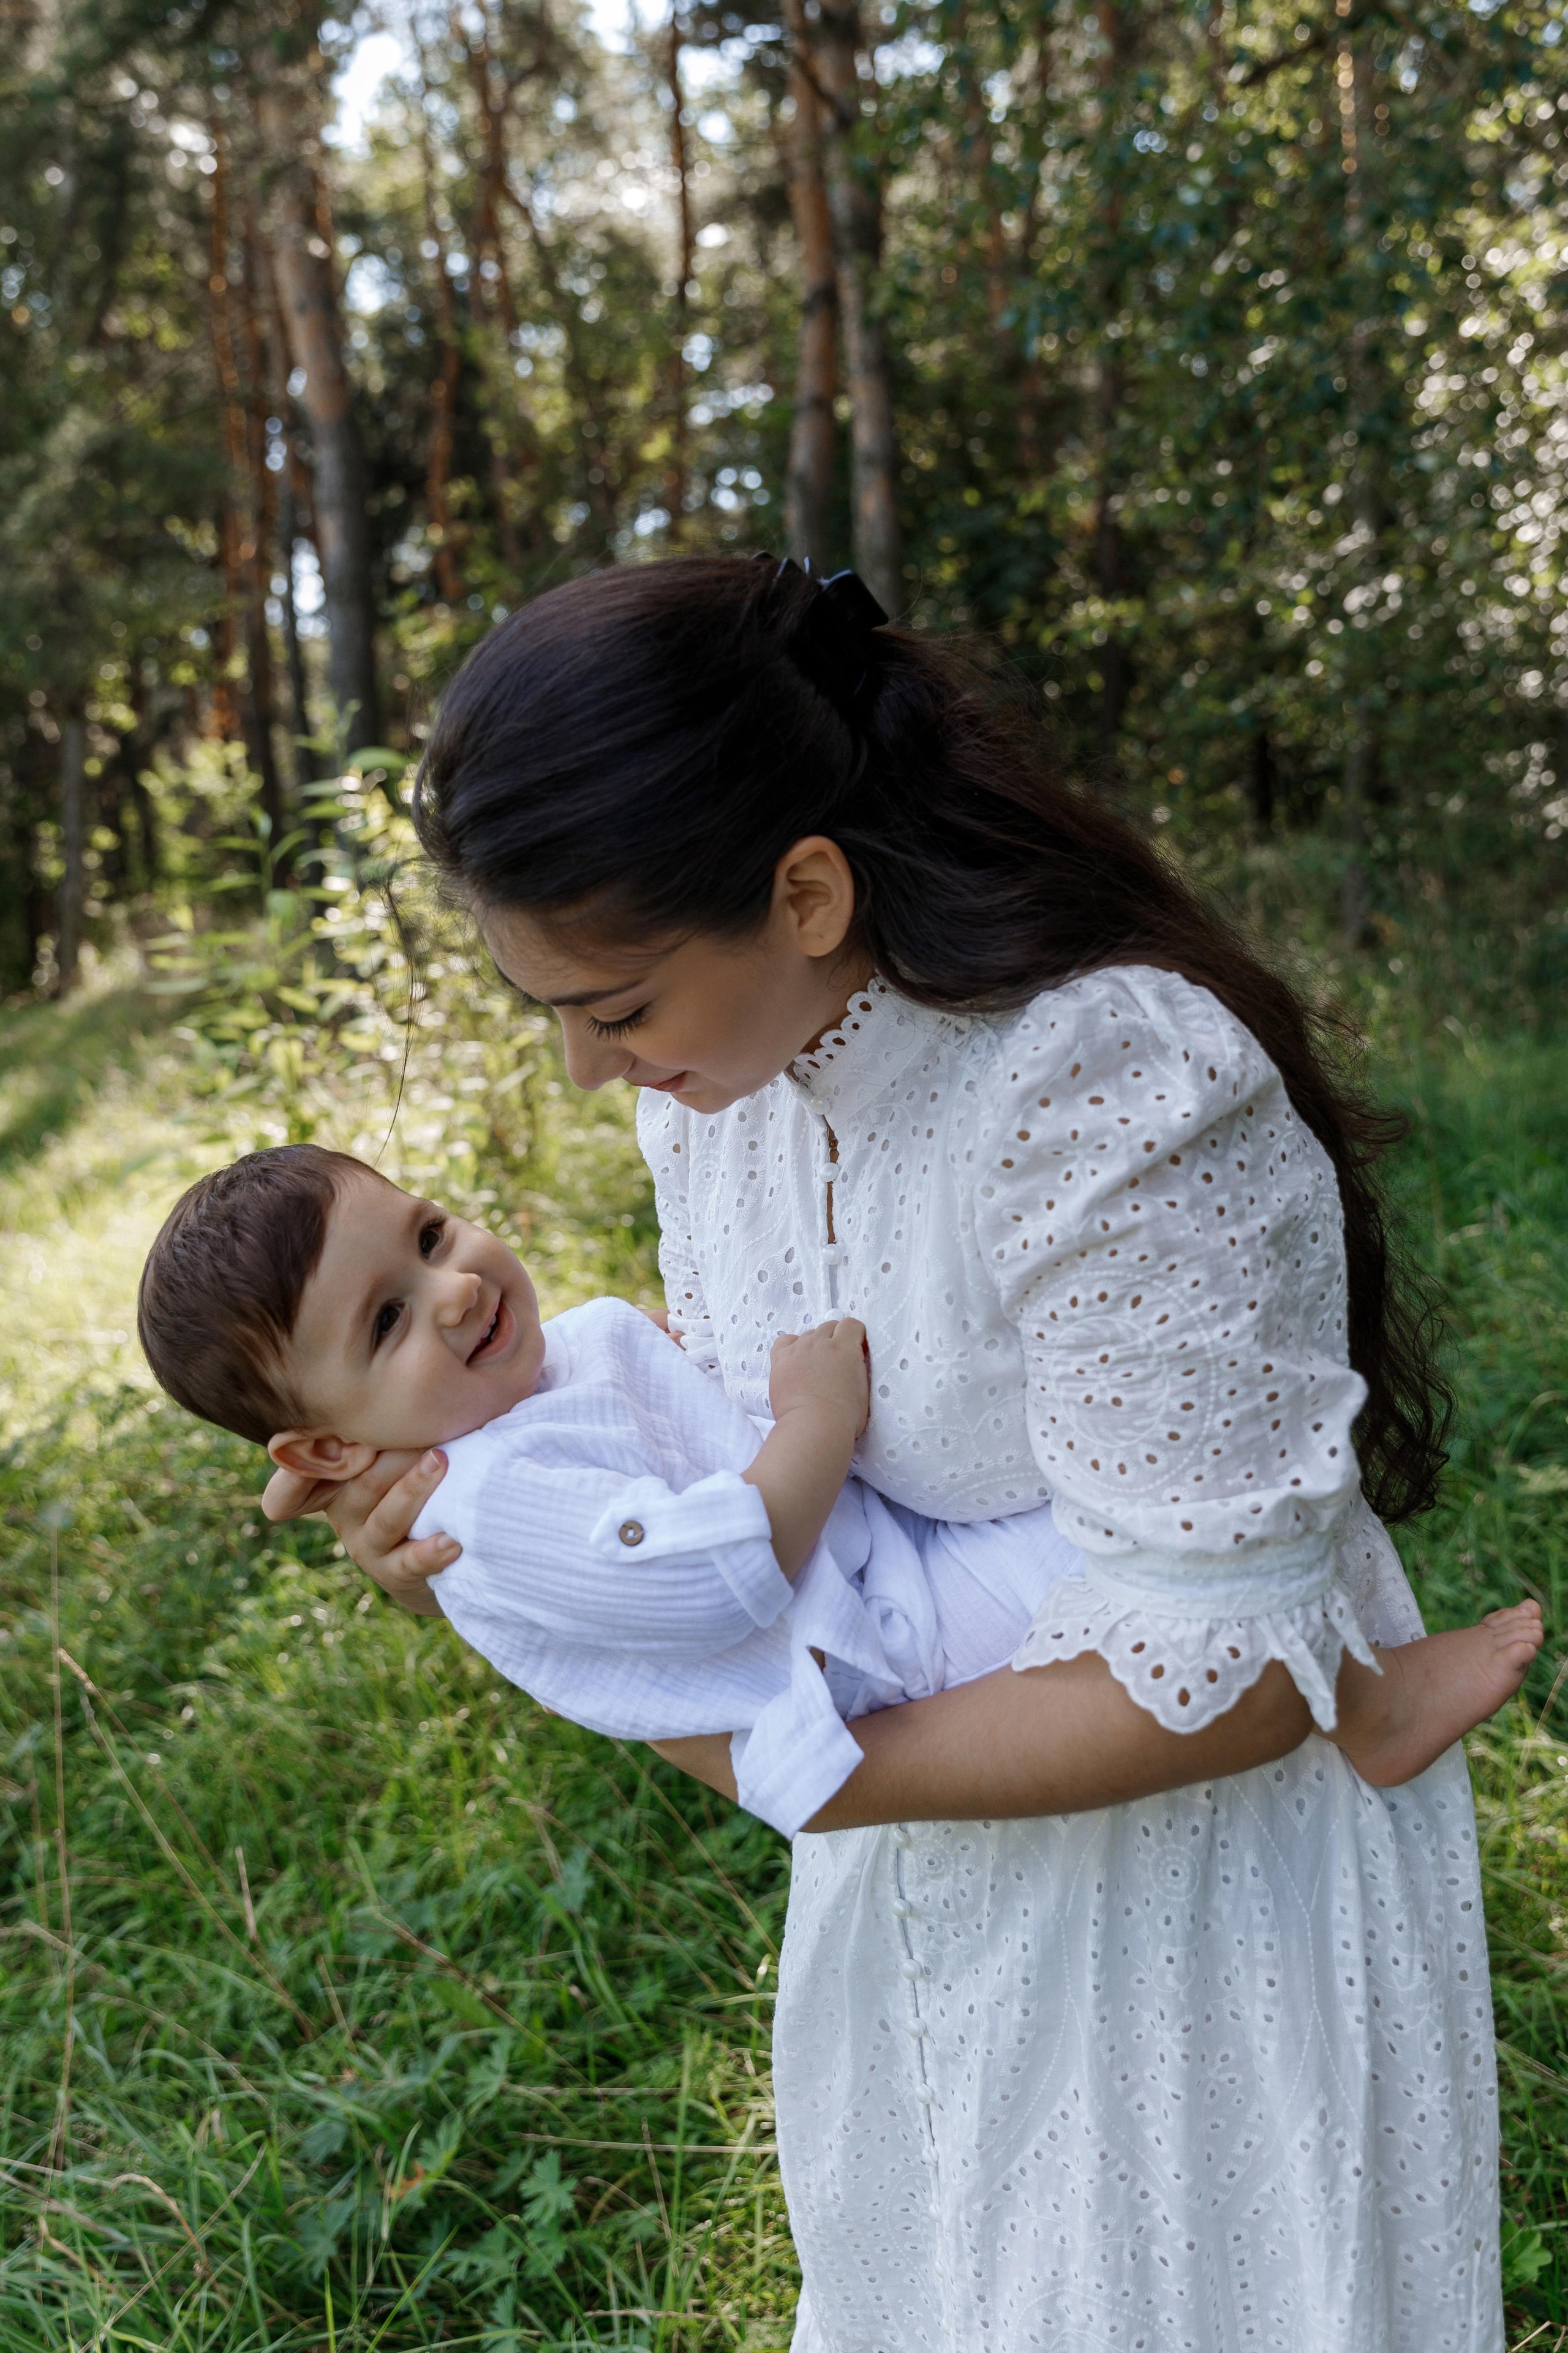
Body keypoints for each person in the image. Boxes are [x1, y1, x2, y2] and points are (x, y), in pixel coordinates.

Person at [264, 556, 1528, 2350]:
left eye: (613, 1008)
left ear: (804, 892)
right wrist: (478, 1518)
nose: (583, 1073)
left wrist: (765, 1746)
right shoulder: (724, 1099)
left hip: (1198, 1892)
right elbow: (734, 1452)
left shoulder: (1104, 1085)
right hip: (927, 1884)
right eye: (550, 1009)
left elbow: (1243, 1680)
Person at [139, 1144, 1537, 1841]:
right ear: (325, 1452)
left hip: (873, 1557)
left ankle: (1345, 1681)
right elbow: (709, 1576)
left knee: (1138, 1505)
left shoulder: (523, 1386)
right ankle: (1366, 1704)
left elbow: (662, 1416)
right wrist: (817, 1418)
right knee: (1168, 1564)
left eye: (433, 1232)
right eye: (386, 1321)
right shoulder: (489, 1498)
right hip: (871, 1647)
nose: (454, 1290)